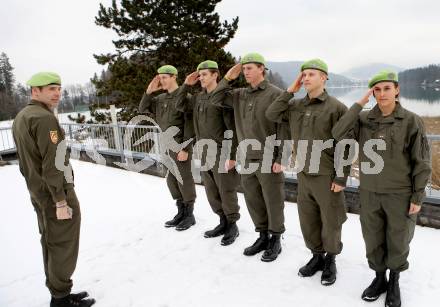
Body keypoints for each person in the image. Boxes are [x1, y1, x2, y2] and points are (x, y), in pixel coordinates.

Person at [332, 70, 431, 306]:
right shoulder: (364, 119)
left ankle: (394, 281)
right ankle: (379, 278)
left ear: (397, 90)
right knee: (373, 238)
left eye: (387, 88)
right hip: (370, 192)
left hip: (400, 193)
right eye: (377, 89)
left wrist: (418, 195)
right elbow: (337, 134)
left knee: (398, 239)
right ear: (372, 93)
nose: (382, 93)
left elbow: (422, 162)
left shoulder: (411, 120)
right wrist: (358, 104)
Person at [12, 72, 95, 307]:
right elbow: (53, 163)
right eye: (50, 88)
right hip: (55, 194)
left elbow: (27, 161)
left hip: (39, 191)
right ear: (35, 91)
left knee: (50, 241)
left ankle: (59, 292)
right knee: (63, 244)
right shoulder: (43, 118)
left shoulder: (22, 116)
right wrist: (60, 200)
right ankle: (60, 298)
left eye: (58, 88)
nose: (57, 93)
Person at [266, 59, 349, 285]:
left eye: (312, 74)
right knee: (308, 219)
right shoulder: (295, 106)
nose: (306, 78)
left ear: (324, 78)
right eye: (303, 75)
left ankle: (330, 260)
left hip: (326, 175)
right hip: (303, 172)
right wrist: (290, 90)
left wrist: (341, 177)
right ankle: (316, 256)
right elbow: (272, 114)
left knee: (330, 221)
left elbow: (347, 145)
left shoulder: (337, 108)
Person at [210, 53, 287, 262]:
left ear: (262, 69)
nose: (246, 72)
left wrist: (282, 157)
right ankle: (262, 236)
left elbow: (284, 128)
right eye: (244, 69)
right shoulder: (239, 94)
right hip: (246, 157)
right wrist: (228, 78)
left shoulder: (276, 94)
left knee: (273, 201)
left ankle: (276, 239)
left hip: (268, 158)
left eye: (250, 68)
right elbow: (215, 98)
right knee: (253, 200)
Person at [175, 60, 241, 245]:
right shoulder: (197, 97)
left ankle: (232, 225)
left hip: (221, 150)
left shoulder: (224, 97)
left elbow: (232, 127)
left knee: (226, 189)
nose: (201, 78)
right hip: (202, 151)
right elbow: (179, 105)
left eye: (205, 74)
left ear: (215, 75)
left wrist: (233, 154)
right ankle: (222, 221)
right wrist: (186, 84)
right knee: (211, 191)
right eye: (200, 75)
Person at [139, 65, 197, 231]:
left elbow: (189, 124)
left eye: (164, 77)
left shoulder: (185, 97)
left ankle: (189, 215)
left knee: (183, 179)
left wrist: (185, 148)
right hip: (167, 146)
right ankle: (181, 211)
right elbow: (142, 109)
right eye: (159, 77)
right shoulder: (160, 99)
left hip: (180, 146)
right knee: (172, 180)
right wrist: (149, 92)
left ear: (174, 77)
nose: (161, 80)